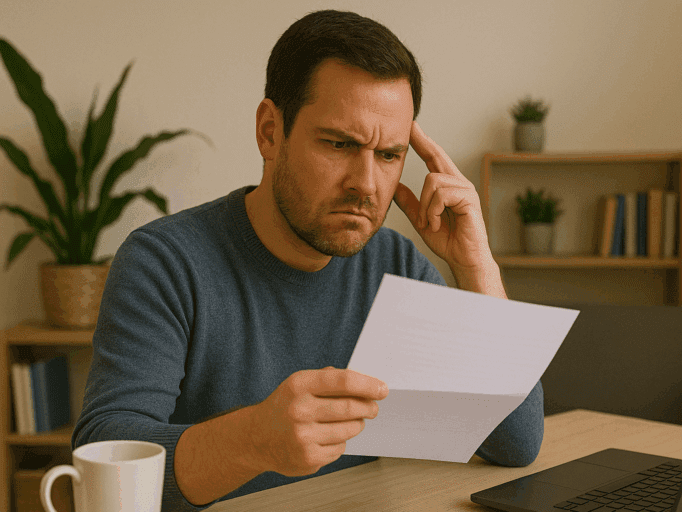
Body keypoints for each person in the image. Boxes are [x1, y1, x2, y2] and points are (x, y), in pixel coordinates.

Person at [73, 9, 544, 510]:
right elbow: (104, 456)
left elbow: (514, 443)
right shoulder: (164, 262)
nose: (366, 184)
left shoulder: (396, 266)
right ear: (270, 132)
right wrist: (254, 439)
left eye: (389, 155)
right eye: (340, 144)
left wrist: (476, 268)